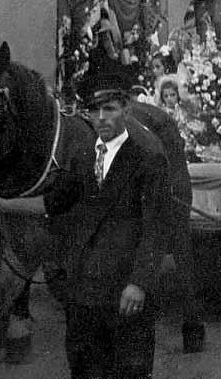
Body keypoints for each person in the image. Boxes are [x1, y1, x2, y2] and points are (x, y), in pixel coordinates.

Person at [51, 68, 172, 378]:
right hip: (84, 288)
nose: (102, 117)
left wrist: (139, 283)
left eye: (110, 109)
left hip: (125, 290)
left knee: (127, 368)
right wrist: (0, 202)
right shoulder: (82, 156)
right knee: (84, 366)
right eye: (94, 110)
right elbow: (53, 203)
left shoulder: (147, 158)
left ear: (125, 111)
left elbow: (155, 227)